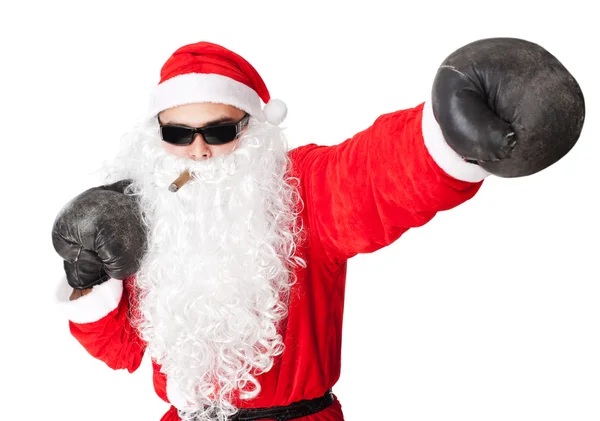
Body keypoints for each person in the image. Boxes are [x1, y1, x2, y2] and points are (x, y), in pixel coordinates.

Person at [52, 39, 585, 421]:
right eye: (179, 132)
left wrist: (444, 137)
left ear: (253, 131)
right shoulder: (145, 212)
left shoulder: (298, 190)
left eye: (218, 130)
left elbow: (373, 179)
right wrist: (88, 277)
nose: (198, 150)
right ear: (156, 135)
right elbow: (117, 348)